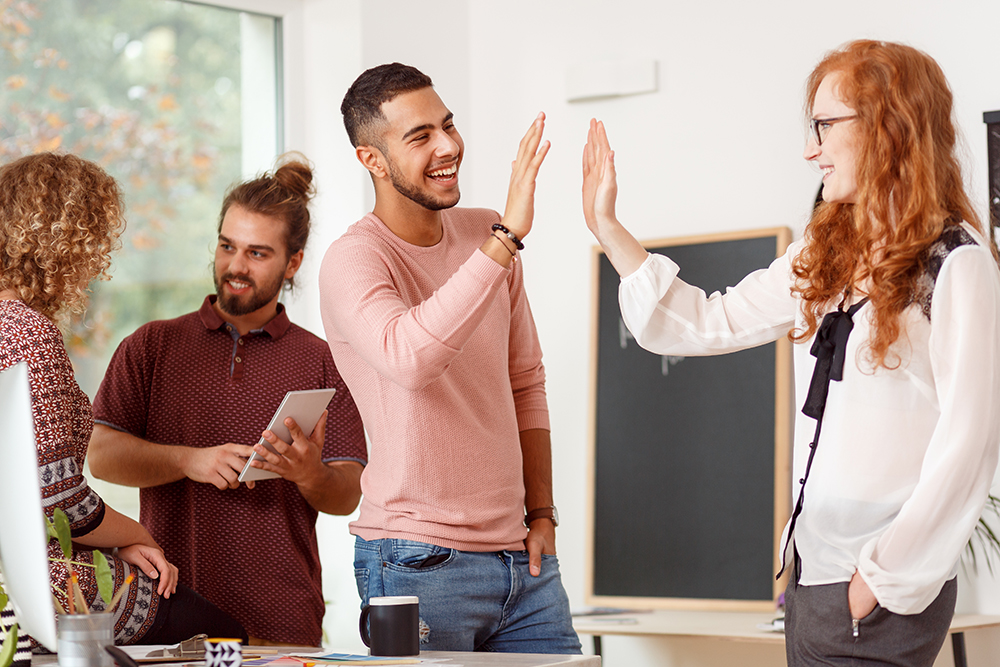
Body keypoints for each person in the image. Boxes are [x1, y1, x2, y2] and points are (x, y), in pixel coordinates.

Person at [583, 40, 1000, 667]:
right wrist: (609, 229)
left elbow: (970, 443)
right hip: (813, 579)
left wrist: (878, 583)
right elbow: (707, 322)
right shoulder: (828, 251)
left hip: (876, 590)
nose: (812, 150)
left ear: (889, 126)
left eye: (826, 126)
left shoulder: (955, 264)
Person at [319, 63, 581, 654]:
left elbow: (526, 381)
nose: (448, 146)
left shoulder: (482, 235)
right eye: (420, 137)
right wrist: (505, 240)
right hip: (415, 558)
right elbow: (410, 357)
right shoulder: (354, 260)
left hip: (524, 563)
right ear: (372, 161)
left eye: (448, 125)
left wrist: (542, 511)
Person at [88, 157, 367, 647]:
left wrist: (308, 473)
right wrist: (188, 460)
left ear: (293, 261)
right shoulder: (151, 345)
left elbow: (347, 494)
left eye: (258, 253)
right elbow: (101, 455)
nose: (236, 266)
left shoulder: (323, 360)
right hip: (170, 609)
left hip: (283, 618)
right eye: (227, 246)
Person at [0, 152, 246, 644]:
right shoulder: (25, 334)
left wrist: (113, 548)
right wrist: (136, 535)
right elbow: (57, 502)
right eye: (92, 241)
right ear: (60, 240)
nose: (96, 260)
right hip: (31, 585)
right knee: (222, 633)